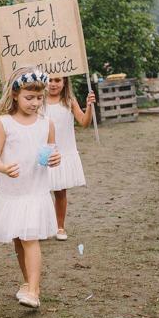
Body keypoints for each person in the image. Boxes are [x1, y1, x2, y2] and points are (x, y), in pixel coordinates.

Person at [0, 67, 60, 309]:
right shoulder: (3, 123)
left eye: (39, 98)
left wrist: (55, 158)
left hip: (34, 191)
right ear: (15, 94)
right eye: (30, 97)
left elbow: (50, 152)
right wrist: (4, 168)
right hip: (12, 191)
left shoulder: (46, 123)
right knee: (18, 238)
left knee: (29, 237)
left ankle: (34, 291)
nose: (35, 103)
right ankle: (28, 283)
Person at [45, 76, 95, 241]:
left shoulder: (69, 101)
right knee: (40, 192)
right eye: (50, 80)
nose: (53, 84)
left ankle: (60, 227)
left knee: (60, 191)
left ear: (65, 82)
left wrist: (89, 106)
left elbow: (84, 122)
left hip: (63, 152)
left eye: (57, 80)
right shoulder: (38, 100)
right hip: (43, 151)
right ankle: (42, 227)